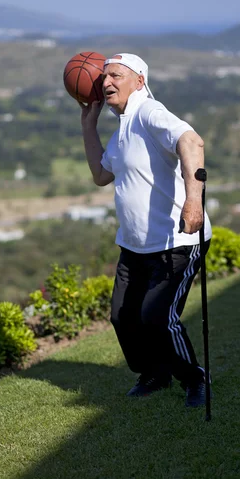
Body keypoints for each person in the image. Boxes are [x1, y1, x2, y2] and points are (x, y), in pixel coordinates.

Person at [80, 53, 212, 407]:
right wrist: (88, 126)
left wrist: (193, 201)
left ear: (139, 81)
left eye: (116, 76)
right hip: (134, 246)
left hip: (176, 241)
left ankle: (195, 379)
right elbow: (100, 175)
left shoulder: (148, 112)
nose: (107, 82)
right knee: (122, 316)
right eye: (104, 76)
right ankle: (154, 373)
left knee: (157, 317)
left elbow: (192, 141)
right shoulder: (123, 124)